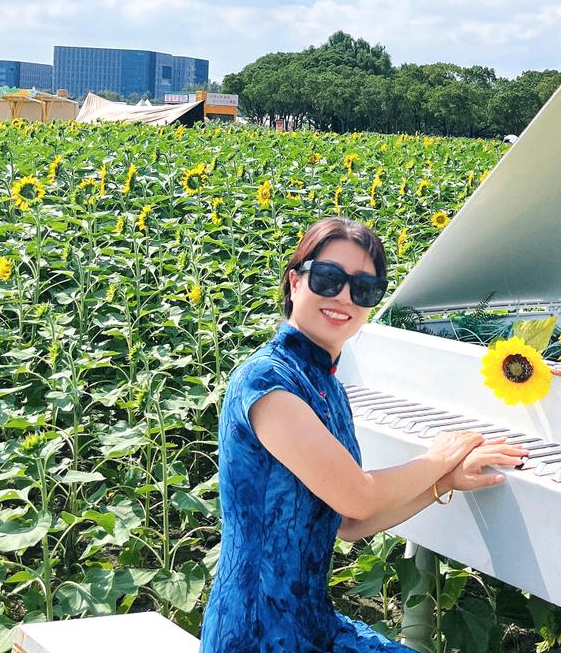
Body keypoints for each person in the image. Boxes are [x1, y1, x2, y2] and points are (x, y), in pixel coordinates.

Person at [200, 217, 526, 651]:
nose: (344, 298)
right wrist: (440, 456)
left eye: (363, 289)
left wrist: (445, 481)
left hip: (310, 624)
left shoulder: (327, 386)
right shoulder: (268, 381)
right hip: (254, 633)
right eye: (328, 279)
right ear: (295, 282)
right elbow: (358, 496)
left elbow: (350, 524)